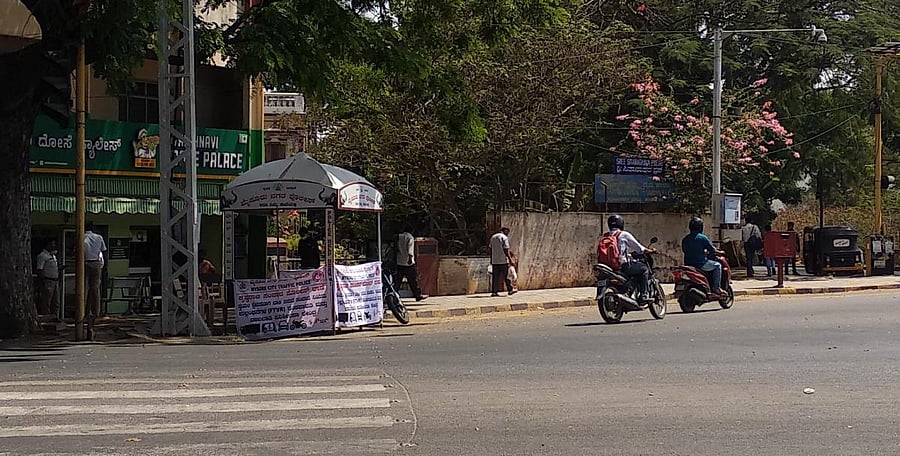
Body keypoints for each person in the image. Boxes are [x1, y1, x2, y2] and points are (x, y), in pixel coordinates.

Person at [602, 215, 656, 302]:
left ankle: (629, 290)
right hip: (622, 266)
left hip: (609, 267)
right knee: (644, 269)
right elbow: (639, 248)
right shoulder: (624, 234)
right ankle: (643, 295)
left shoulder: (605, 236)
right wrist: (649, 250)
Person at [681, 217, 725, 296]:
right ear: (701, 227)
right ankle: (716, 288)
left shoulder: (685, 239)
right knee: (718, 265)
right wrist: (721, 252)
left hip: (688, 264)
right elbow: (712, 250)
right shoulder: (702, 237)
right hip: (701, 264)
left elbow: (685, 250)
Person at [84, 221, 107, 320]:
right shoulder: (99, 237)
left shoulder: (82, 236)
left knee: (83, 288)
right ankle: (96, 312)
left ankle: (83, 311)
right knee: (95, 288)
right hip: (96, 263)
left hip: (85, 263)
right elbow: (103, 250)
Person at [395, 225, 425, 301]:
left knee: (397, 281)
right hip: (408, 262)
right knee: (413, 280)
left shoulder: (399, 236)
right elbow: (410, 249)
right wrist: (410, 259)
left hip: (399, 261)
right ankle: (417, 295)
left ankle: (393, 295)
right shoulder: (410, 237)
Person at [35, 239, 61, 318]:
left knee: (56, 302)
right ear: (47, 245)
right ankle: (45, 318)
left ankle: (55, 317)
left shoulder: (53, 255)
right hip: (48, 281)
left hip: (55, 280)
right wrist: (43, 282)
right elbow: (40, 269)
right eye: (52, 244)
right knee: (46, 302)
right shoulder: (42, 256)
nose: (54, 246)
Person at [489, 227, 516, 297]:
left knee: (495, 277)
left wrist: (491, 259)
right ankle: (510, 290)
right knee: (506, 276)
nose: (508, 234)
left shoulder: (493, 237)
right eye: (507, 232)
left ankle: (494, 292)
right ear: (504, 231)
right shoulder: (504, 237)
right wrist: (510, 260)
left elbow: (490, 249)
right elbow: (506, 250)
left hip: (495, 261)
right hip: (503, 260)